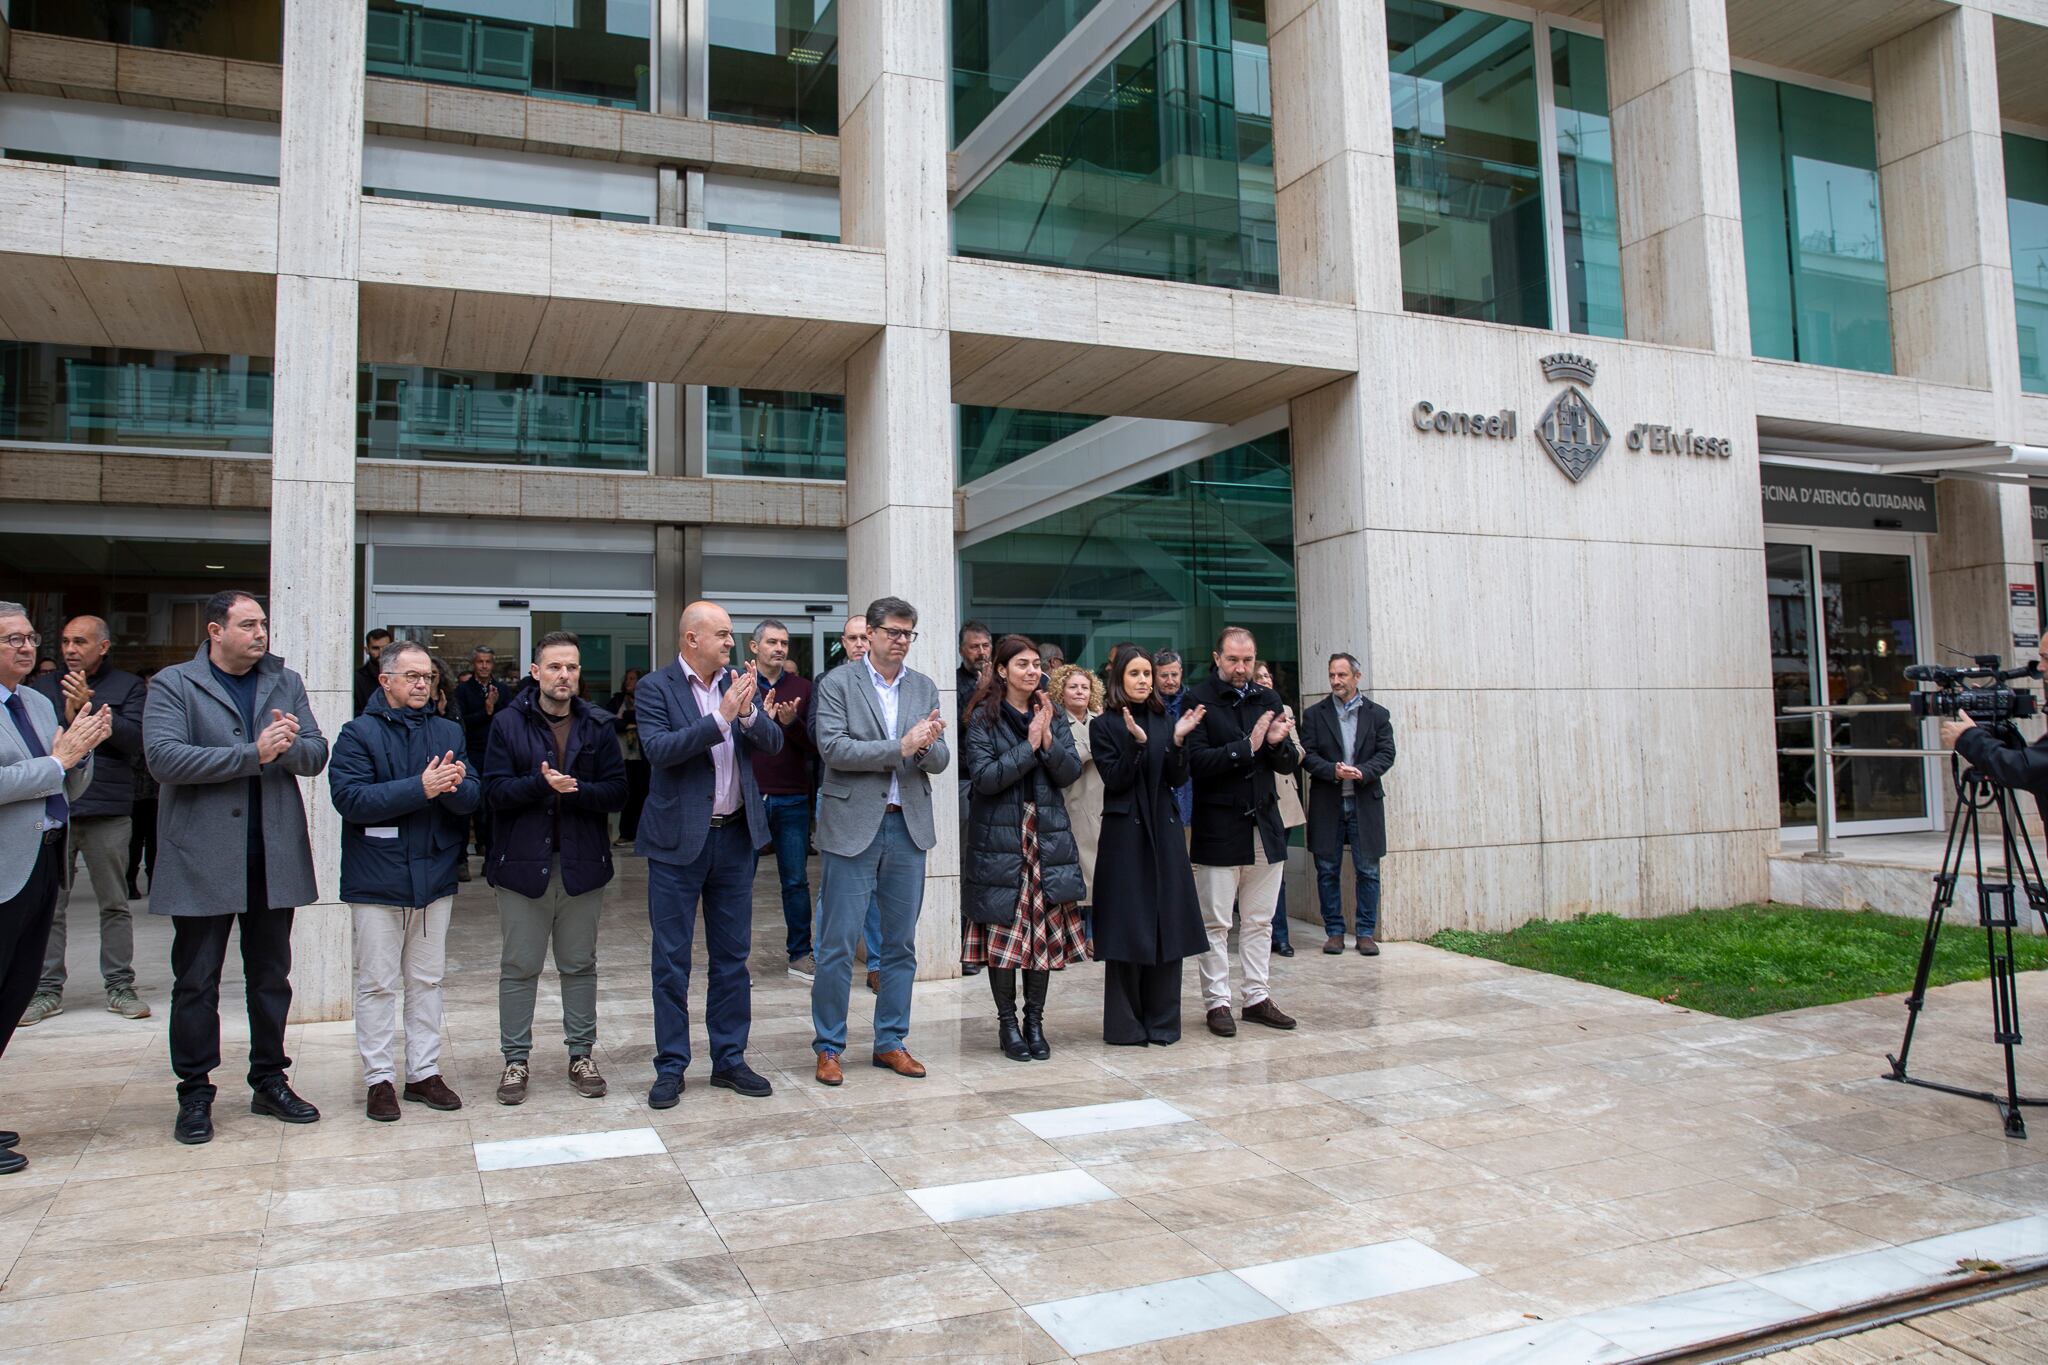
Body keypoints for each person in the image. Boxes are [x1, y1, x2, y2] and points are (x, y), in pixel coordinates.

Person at [146, 590, 328, 1145]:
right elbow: (164, 758)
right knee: (196, 980)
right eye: (248, 624)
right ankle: (195, 1092)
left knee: (270, 977)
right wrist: (255, 753)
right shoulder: (173, 684)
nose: (261, 633)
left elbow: (317, 753)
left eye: (264, 623)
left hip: (271, 856)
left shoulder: (285, 680)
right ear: (214, 631)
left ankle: (270, 1080)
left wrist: (288, 747)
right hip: (201, 858)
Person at [635, 602, 783, 1108]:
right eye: (722, 634)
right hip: (678, 843)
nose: (730, 642)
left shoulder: (739, 685)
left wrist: (744, 714)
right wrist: (720, 718)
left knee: (732, 959)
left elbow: (774, 741)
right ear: (691, 639)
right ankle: (671, 1065)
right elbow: (659, 750)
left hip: (735, 839)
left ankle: (729, 1059)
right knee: (672, 961)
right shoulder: (656, 688)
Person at [328, 640, 479, 1121]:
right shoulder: (358, 734)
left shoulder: (447, 730)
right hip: (377, 879)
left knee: (427, 981)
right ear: (385, 680)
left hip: (433, 875)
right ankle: (378, 1081)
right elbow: (351, 799)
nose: (421, 684)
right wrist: (421, 788)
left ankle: (423, 1074)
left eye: (428, 677)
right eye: (411, 676)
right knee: (377, 984)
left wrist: (452, 787)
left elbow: (473, 795)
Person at [810, 596, 950, 1086]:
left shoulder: (924, 686)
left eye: (909, 633)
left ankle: (891, 1040)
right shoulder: (836, 684)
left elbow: (940, 760)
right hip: (852, 827)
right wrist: (903, 746)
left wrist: (929, 745)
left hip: (906, 826)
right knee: (837, 945)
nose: (901, 641)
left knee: (900, 946)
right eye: (893, 631)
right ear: (868, 634)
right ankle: (829, 1045)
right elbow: (833, 748)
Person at [482, 632, 626, 1106]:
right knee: (519, 966)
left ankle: (581, 1055)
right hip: (523, 867)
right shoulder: (507, 723)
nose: (565, 675)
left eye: (573, 668)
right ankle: (515, 1060)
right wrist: (540, 786)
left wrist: (575, 789)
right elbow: (494, 793)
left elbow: (619, 792)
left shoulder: (599, 725)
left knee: (579, 965)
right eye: (556, 667)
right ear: (536, 672)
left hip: (582, 865)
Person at [0, 603, 109, 1174]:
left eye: (27, 637)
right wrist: (58, 758)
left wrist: (80, 747)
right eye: (12, 639)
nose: (26, 647)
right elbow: (42, 768)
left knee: (15, 991)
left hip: (42, 862)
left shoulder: (38, 703)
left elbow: (67, 779)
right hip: (2, 870)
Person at [963, 638, 1085, 1061]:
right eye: (1022, 665)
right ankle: (1008, 1024)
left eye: (1036, 665)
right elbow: (984, 779)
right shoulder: (983, 718)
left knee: (1041, 938)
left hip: (1045, 836)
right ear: (1001, 671)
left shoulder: (1050, 713)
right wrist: (1029, 746)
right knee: (1004, 936)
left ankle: (1035, 1022)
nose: (1032, 672)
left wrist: (1048, 737)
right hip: (1000, 839)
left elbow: (1069, 773)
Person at [24, 616, 149, 1024]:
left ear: (104, 646)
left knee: (114, 903)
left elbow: (135, 742)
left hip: (108, 810)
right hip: (54, 809)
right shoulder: (41, 688)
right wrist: (66, 711)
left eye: (80, 641)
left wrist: (87, 709)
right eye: (64, 641)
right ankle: (46, 989)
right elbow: (36, 745)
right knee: (51, 906)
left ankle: (119, 984)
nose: (70, 649)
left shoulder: (128, 686)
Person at [1183, 626, 1300, 1037]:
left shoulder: (1268, 697)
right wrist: (1245, 747)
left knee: (1259, 920)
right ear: (1217, 658)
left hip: (1265, 824)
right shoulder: (1198, 699)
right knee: (1216, 923)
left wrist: (1277, 744)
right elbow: (1195, 762)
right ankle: (1218, 1003)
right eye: (1233, 660)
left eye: (1247, 660)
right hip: (1218, 825)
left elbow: (1284, 764)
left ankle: (1257, 997)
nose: (1241, 668)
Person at [1090, 645, 1208, 1046]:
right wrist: (1136, 745)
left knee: (1166, 925)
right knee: (1128, 927)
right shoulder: (1104, 724)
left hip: (1165, 831)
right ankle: (1125, 1027)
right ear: (1119, 679)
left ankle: (1163, 1023)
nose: (1143, 680)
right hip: (1125, 838)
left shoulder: (1164, 718)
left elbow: (1176, 778)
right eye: (1135, 674)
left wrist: (1176, 742)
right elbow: (1116, 780)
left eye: (1147, 674)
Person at [1301, 652, 1396, 956]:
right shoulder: (1315, 714)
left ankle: (1366, 933)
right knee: (1327, 869)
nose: (1336, 681)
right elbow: (1307, 755)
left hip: (1364, 802)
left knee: (1368, 870)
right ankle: (1335, 932)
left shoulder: (1378, 714)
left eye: (1342, 675)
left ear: (1357, 677)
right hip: (1328, 802)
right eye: (1332, 675)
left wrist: (1363, 772)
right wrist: (1333, 770)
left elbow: (1386, 753)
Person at [810, 613, 886, 993]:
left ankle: (876, 963)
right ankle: (824, 958)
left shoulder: (888, 685)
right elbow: (823, 739)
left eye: (864, 638)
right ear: (844, 641)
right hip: (838, 795)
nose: (859, 644)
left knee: (874, 887)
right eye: (852, 638)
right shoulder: (829, 683)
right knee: (833, 886)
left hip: (881, 798)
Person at [747, 620, 817, 979]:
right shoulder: (739, 685)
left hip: (791, 796)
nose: (779, 648)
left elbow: (814, 747)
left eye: (784, 643)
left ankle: (801, 954)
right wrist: (760, 721)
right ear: (753, 647)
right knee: (740, 879)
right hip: (749, 796)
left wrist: (791, 723)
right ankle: (734, 955)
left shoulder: (802, 688)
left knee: (795, 880)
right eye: (771, 641)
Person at [1049, 662, 1104, 954]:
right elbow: (1065, 758)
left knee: (1099, 875)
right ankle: (1075, 936)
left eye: (1085, 686)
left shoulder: (1100, 720)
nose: (1080, 691)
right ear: (1061, 690)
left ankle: (1095, 934)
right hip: (1071, 804)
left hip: (1101, 805)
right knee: (1077, 874)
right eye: (1073, 686)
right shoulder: (1056, 722)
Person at [1253, 660, 1301, 959]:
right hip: (1251, 800)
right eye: (1259, 677)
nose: (1264, 680)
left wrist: (1280, 742)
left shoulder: (1285, 710)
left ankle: (1280, 936)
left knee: (1276, 872)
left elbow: (1298, 752)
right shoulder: (1243, 708)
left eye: (1268, 675)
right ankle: (1256, 932)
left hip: (1283, 800)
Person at [457, 646, 508, 877]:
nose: (484, 666)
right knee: (471, 805)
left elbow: (510, 721)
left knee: (491, 808)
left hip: (496, 753)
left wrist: (494, 709)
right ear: (474, 664)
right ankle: (462, 860)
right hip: (472, 752)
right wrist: (486, 711)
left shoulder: (503, 690)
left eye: (488, 661)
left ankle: (491, 858)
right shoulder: (464, 691)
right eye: (480, 661)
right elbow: (461, 722)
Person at [126, 669, 159, 900]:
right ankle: (130, 880)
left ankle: (155, 881)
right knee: (135, 839)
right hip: (136, 790)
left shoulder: (165, 711)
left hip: (158, 790)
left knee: (155, 839)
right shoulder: (137, 714)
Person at [607, 668, 649, 846]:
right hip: (622, 755)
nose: (629, 682)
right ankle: (626, 833)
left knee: (642, 794)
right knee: (627, 795)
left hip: (642, 756)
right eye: (628, 678)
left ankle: (641, 834)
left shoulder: (647, 699)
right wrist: (627, 722)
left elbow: (644, 719)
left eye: (633, 678)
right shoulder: (617, 700)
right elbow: (610, 721)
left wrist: (629, 718)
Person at [1155, 650, 1194, 829]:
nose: (1170, 681)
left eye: (1174, 674)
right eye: (1164, 675)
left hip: (1190, 785)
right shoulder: (1148, 703)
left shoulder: (1193, 701)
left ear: (1181, 672)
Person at [956, 621, 992, 715]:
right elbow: (956, 725)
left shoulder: (1001, 679)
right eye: (974, 647)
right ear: (961, 651)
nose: (982, 652)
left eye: (985, 646)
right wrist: (978, 694)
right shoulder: (953, 683)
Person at [355, 627, 392, 715]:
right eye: (376, 648)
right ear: (367, 650)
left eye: (385, 648)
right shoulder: (357, 679)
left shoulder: (401, 674)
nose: (381, 652)